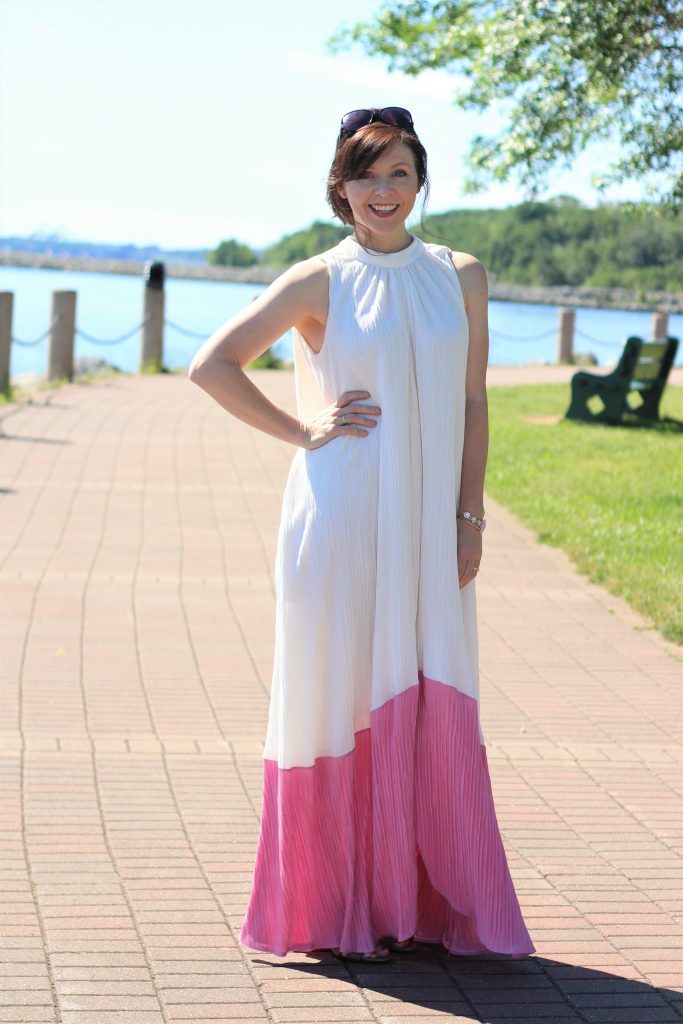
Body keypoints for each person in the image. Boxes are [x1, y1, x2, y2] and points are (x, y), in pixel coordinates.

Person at [188, 106, 536, 963]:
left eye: (399, 171)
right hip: (341, 519)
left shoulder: (462, 274)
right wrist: (305, 429)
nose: (383, 190)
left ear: (420, 180)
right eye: (365, 173)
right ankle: (339, 905)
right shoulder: (321, 280)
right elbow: (212, 365)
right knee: (340, 700)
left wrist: (469, 512)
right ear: (338, 186)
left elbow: (471, 402)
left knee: (432, 687)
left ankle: (419, 901)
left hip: (428, 527)